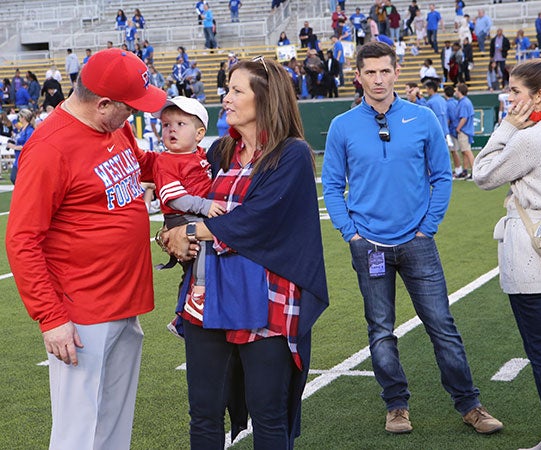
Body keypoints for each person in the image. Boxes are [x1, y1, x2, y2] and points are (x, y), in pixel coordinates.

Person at [322, 41, 503, 437]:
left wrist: (428, 226)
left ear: (396, 71)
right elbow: (333, 187)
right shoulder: (342, 126)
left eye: (384, 71)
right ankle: (396, 406)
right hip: (368, 244)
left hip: (417, 242)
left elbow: (441, 177)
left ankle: (470, 404)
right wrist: (350, 233)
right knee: (381, 329)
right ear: (358, 76)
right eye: (369, 72)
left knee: (441, 324)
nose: (378, 79)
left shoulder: (422, 119)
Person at [159, 57, 329, 449]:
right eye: (228, 89)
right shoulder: (219, 151)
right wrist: (170, 234)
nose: (227, 97)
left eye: (237, 90)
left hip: (268, 301)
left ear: (264, 99)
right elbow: (184, 206)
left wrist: (193, 229)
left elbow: (259, 220)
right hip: (207, 298)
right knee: (203, 412)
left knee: (268, 415)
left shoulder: (291, 154)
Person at [5, 48, 166, 450]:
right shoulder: (49, 148)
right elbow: (22, 239)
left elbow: (143, 163)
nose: (133, 115)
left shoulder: (113, 127)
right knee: (77, 434)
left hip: (124, 302)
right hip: (80, 314)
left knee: (113, 425)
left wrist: (192, 164)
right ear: (103, 103)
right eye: (128, 108)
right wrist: (51, 317)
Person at [472, 58, 541, 450]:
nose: (509, 97)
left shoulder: (530, 137)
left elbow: (482, 175)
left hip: (531, 254)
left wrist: (506, 128)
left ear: (539, 95)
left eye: (515, 91)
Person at [152, 97, 222, 324]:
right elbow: (176, 200)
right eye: (165, 125)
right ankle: (199, 294)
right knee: (204, 242)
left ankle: (182, 314)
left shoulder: (201, 154)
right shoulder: (166, 161)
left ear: (199, 134)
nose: (171, 129)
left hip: (196, 211)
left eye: (180, 124)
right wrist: (205, 206)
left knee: (192, 266)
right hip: (182, 216)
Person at [6, 108, 35, 184]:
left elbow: (27, 146)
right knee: (14, 178)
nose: (18, 118)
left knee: (17, 179)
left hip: (24, 159)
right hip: (18, 159)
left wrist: (13, 147)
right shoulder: (22, 129)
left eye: (19, 117)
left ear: (23, 118)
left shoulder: (30, 131)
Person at [454, 83, 475, 179]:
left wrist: (458, 128)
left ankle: (474, 171)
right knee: (464, 151)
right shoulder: (465, 101)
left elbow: (464, 117)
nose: (455, 92)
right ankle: (465, 170)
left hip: (464, 130)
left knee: (467, 151)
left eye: (456, 90)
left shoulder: (464, 103)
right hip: (466, 129)